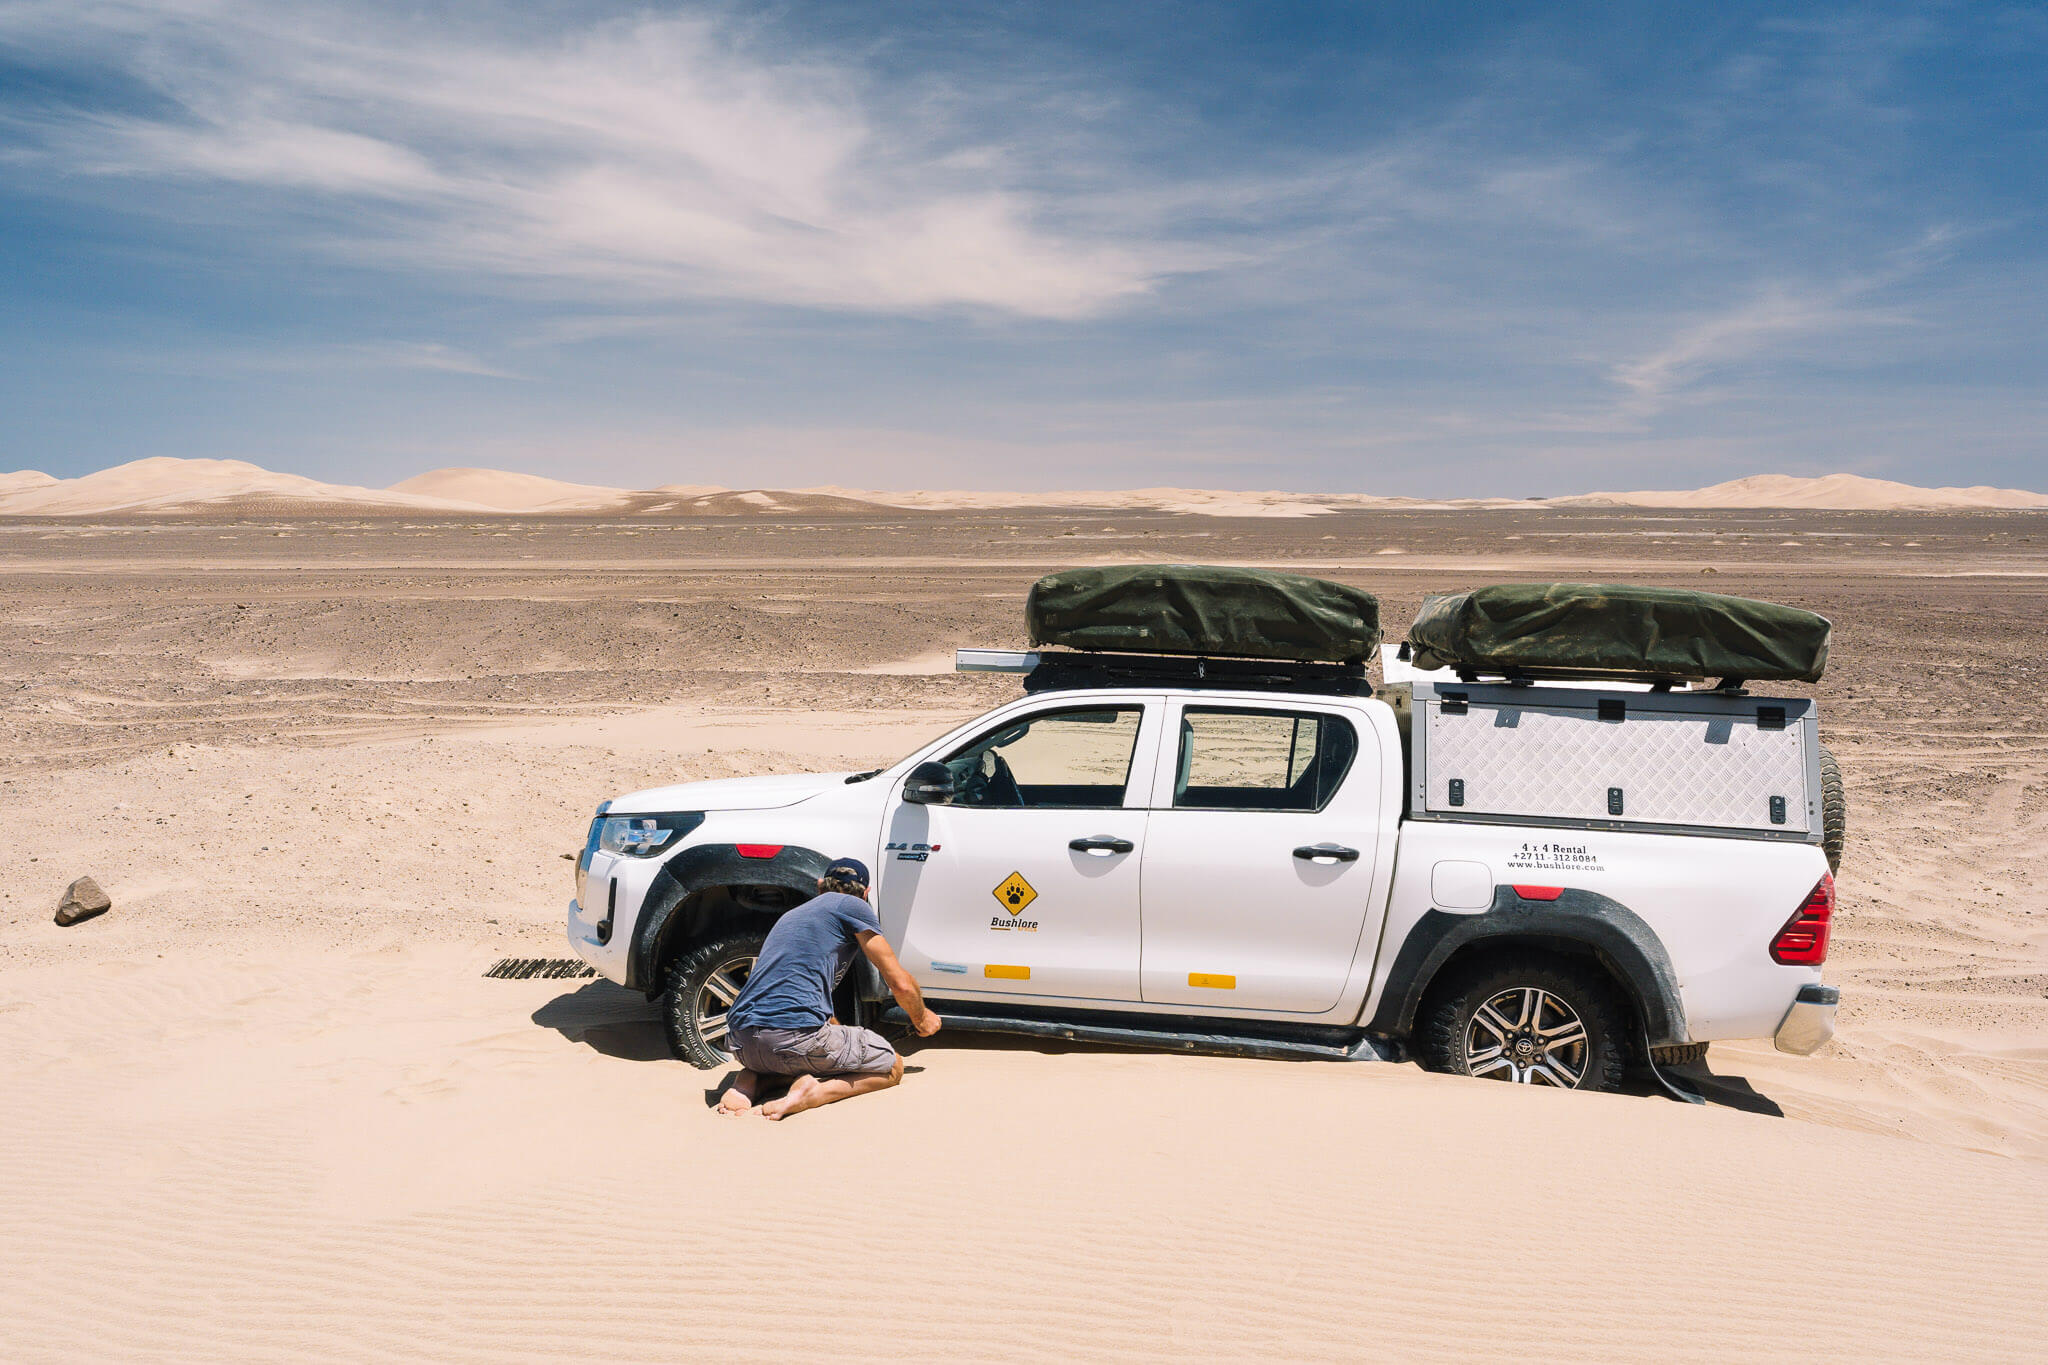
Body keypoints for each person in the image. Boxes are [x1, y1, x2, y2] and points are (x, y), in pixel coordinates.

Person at [717, 857, 941, 1120]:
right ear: (866, 894)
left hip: (741, 1042)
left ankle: (753, 1079)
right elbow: (900, 984)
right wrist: (922, 1017)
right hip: (789, 1040)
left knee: (808, 1051)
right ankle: (813, 1094)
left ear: (820, 885)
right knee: (892, 1066)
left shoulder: (791, 916)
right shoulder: (854, 906)